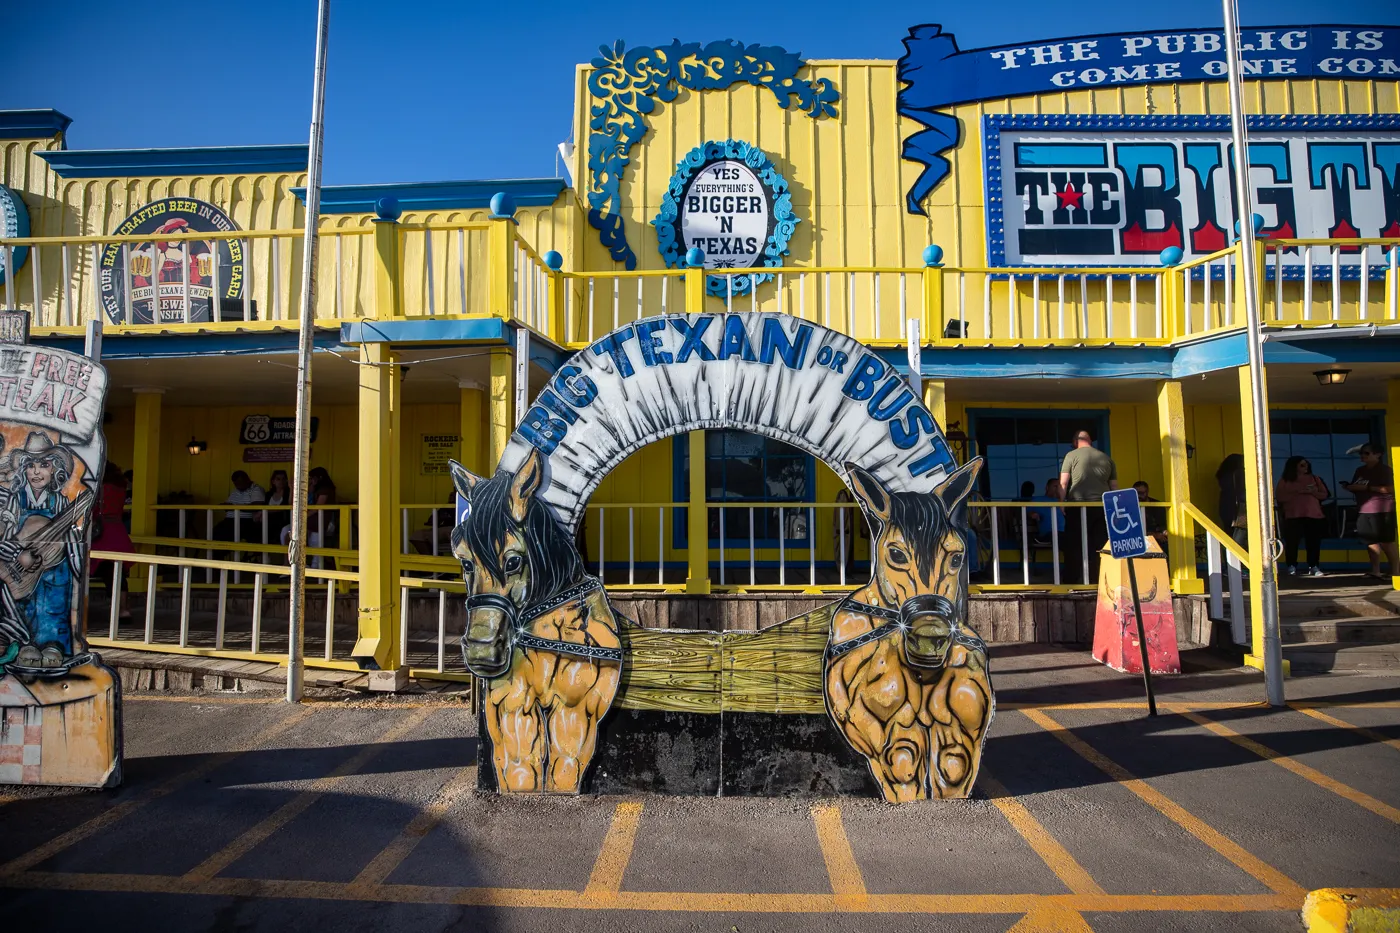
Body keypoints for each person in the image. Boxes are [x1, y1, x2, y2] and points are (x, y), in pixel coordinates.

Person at [0, 433, 90, 667]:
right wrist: (16, 553)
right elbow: (4, 534)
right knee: (24, 605)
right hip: (19, 566)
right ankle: (25, 643)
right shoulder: (15, 501)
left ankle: (53, 645)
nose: (36, 472)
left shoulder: (60, 501)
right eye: (30, 466)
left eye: (44, 465)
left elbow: (72, 531)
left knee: (54, 602)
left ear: (55, 469)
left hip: (53, 565)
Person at [1058, 430, 1117, 584]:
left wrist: (1061, 503)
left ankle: (1070, 581)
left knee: (1074, 544)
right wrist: (1115, 509)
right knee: (1099, 545)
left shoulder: (1071, 456)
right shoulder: (1106, 458)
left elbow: (1063, 483)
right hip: (1102, 507)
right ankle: (1097, 581)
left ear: (1075, 441)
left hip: (1078, 505)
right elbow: (1114, 487)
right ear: (1089, 441)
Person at [1343, 443, 1397, 581]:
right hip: (1364, 509)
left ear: (1378, 455)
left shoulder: (1385, 470)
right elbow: (1358, 486)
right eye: (1361, 453)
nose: (1362, 456)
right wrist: (1350, 487)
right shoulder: (1360, 470)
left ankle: (1396, 572)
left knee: (1386, 541)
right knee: (1369, 541)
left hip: (1382, 509)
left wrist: (1367, 488)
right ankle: (1375, 571)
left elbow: (1390, 489)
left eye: (1366, 453)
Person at [90, 461, 136, 621]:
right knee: (118, 573)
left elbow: (92, 509)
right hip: (118, 531)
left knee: (89, 570)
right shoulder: (120, 487)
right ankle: (123, 609)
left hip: (102, 534)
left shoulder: (99, 488)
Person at [1276, 456, 1329, 577]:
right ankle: (1291, 566)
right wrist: (1298, 492)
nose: (1305, 467)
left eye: (1306, 464)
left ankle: (1313, 566)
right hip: (1293, 515)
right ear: (1293, 466)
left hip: (1313, 515)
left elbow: (1324, 495)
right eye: (1302, 465)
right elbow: (1280, 497)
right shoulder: (1285, 480)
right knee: (1292, 542)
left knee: (1313, 542)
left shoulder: (1315, 479)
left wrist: (1312, 492)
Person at [280, 467, 338, 568]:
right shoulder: (311, 489)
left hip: (322, 522)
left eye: (312, 478)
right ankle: (291, 563)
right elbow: (292, 504)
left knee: (315, 540)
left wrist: (302, 517)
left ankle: (315, 567)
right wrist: (292, 488)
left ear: (319, 478)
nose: (310, 480)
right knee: (285, 531)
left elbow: (317, 508)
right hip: (308, 522)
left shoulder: (325, 489)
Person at [212, 471, 266, 543]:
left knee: (224, 535)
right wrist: (225, 506)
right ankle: (215, 553)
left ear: (247, 479)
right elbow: (230, 505)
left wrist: (234, 507)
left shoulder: (256, 489)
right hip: (229, 520)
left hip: (245, 521)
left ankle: (220, 552)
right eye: (236, 484)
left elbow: (257, 506)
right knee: (214, 532)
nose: (238, 486)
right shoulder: (235, 491)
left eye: (240, 483)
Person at [1216, 454, 1248, 548]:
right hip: (1240, 508)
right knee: (1240, 536)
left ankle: (1230, 559)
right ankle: (1238, 559)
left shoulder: (1223, 476)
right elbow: (1241, 492)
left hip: (1226, 506)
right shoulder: (1238, 474)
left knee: (1229, 534)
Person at [1133, 481, 1169, 553]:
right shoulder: (1129, 507)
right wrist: (1154, 535)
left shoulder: (1157, 505)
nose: (1139, 496)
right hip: (1137, 539)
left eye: (1142, 493)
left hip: (1157, 538)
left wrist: (1165, 533)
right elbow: (1133, 530)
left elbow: (1162, 525)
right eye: (1136, 493)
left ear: (1147, 492)